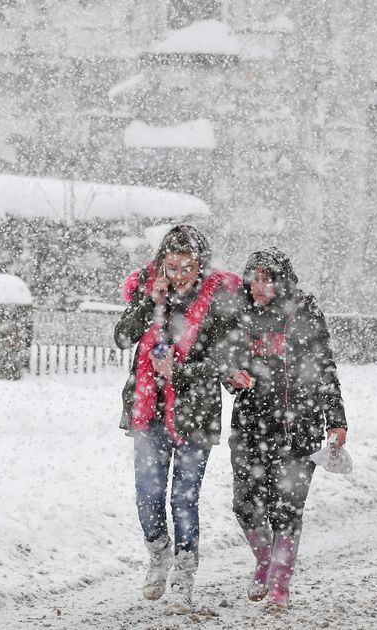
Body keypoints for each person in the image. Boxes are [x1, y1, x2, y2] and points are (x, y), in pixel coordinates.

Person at [113, 225, 244, 614]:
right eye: (172, 266)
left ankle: (184, 576)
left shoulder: (218, 302)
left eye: (187, 266)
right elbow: (121, 338)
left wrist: (179, 374)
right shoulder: (151, 291)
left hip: (196, 415)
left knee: (184, 499)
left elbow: (226, 362)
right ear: (161, 265)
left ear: (200, 265)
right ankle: (158, 556)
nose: (179, 275)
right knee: (147, 495)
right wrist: (147, 303)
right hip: (148, 411)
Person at [226, 247, 348, 609]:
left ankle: (280, 582)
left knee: (286, 509)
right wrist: (232, 376)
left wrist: (336, 420)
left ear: (282, 281)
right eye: (253, 280)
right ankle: (264, 561)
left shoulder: (305, 314)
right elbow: (225, 361)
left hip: (299, 428)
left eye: (266, 280)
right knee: (245, 505)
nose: (258, 287)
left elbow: (325, 369)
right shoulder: (240, 316)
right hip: (250, 427)